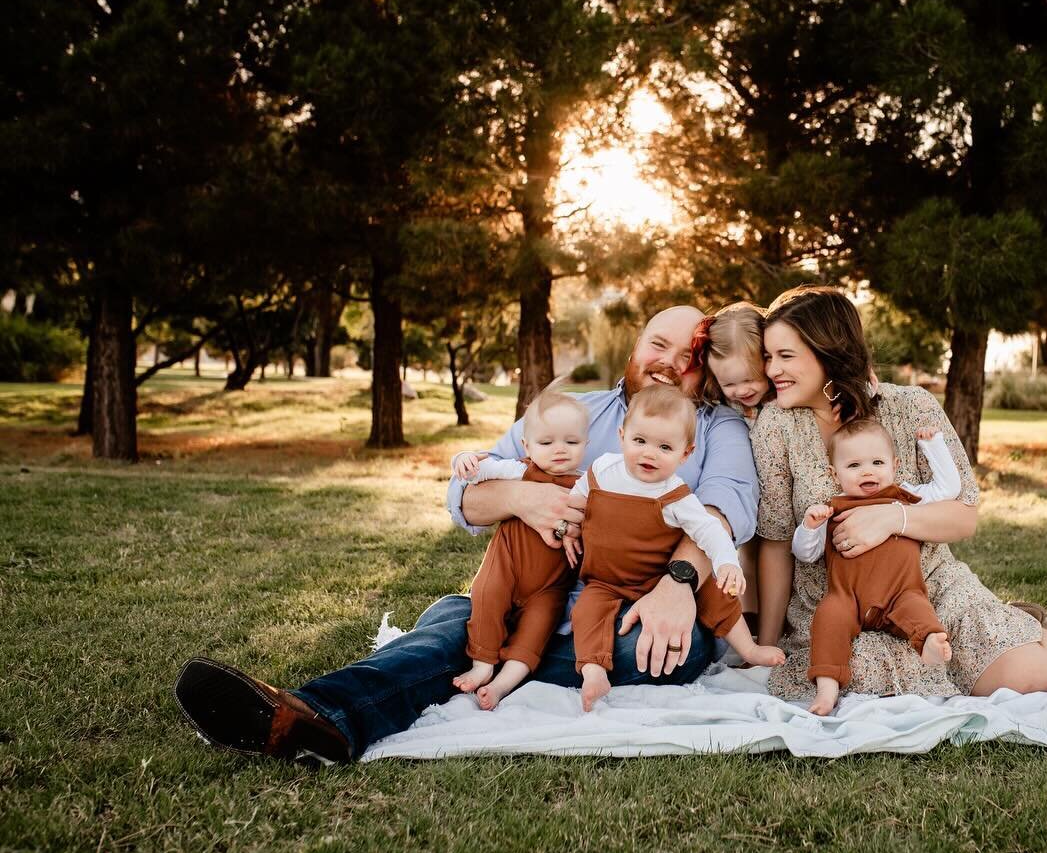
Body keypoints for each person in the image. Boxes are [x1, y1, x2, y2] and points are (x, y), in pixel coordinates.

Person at [174, 305, 759, 764]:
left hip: (640, 608)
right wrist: (523, 497)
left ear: (703, 369)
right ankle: (307, 716)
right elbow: (466, 497)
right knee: (466, 617)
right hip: (534, 593)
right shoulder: (570, 412)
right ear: (636, 347)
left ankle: (459, 665)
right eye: (659, 344)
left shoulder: (715, 427)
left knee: (644, 650)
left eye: (689, 355)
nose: (668, 361)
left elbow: (727, 505)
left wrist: (679, 584)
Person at [751, 285, 1047, 709]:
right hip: (837, 600)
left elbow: (964, 517)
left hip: (925, 584)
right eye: (768, 357)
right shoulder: (776, 426)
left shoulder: (910, 405)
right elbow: (775, 542)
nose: (773, 370)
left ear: (827, 350)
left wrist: (892, 518)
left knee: (1027, 678)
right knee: (851, 678)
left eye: (786, 356)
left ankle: (1045, 628)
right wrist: (766, 646)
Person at [564, 385, 784, 710]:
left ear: (686, 453)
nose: (649, 453)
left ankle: (748, 650)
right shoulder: (602, 471)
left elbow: (709, 531)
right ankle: (594, 670)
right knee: (587, 612)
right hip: (604, 580)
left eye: (664, 447)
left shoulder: (675, 495)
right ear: (622, 436)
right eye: (640, 441)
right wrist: (570, 524)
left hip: (658, 581)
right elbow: (579, 496)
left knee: (716, 593)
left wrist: (727, 563)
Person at [792, 421, 965, 715]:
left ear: (894, 466)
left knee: (918, 608)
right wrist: (810, 526)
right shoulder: (833, 508)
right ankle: (826, 688)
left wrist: (933, 445)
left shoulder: (905, 496)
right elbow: (805, 555)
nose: (867, 471)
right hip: (847, 597)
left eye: (877, 462)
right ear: (835, 474)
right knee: (828, 617)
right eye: (854, 465)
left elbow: (949, 488)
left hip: (901, 592)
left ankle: (929, 643)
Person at [447, 389, 589, 709]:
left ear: (586, 445)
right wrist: (464, 460)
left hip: (551, 586)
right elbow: (476, 475)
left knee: (537, 630)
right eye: (546, 442)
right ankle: (482, 663)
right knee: (487, 595)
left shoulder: (587, 486)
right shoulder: (518, 470)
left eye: (571, 442)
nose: (559, 450)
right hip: (507, 566)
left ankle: (502, 684)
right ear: (527, 446)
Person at [685, 302, 782, 644]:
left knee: (773, 551)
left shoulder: (784, 397)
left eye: (751, 379)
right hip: (743, 493)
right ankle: (748, 619)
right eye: (729, 384)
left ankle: (774, 622)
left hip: (780, 492)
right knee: (745, 555)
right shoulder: (721, 409)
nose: (742, 391)